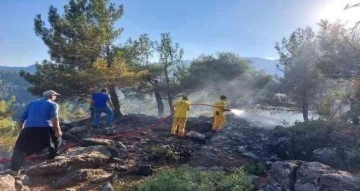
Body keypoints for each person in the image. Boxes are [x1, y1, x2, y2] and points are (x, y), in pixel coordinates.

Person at [9, 90, 62, 174]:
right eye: (55, 96)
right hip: (45, 129)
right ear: (52, 96)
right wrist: (58, 131)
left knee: (19, 148)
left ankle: (15, 170)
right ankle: (52, 158)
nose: (55, 97)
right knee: (57, 139)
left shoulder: (32, 104)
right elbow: (54, 118)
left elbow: (21, 119)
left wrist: (22, 131)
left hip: (28, 129)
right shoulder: (53, 104)